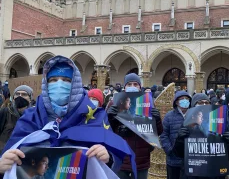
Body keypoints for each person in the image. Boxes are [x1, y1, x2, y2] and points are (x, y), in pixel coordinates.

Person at [0, 56, 136, 176]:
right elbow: (12, 156)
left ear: (75, 83)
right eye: (53, 80)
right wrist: (2, 165)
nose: (59, 84)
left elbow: (109, 161)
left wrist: (107, 157)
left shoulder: (96, 116)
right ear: (46, 84)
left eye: (66, 80)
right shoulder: (30, 118)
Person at [107, 73, 163, 179]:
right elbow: (107, 131)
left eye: (135, 84)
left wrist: (157, 119)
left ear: (140, 87)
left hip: (141, 159)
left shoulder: (148, 103)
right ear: (125, 87)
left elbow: (159, 132)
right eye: (129, 84)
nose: (132, 87)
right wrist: (110, 117)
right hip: (121, 157)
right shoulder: (115, 102)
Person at [160, 91, 192, 179]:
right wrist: (169, 150)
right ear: (177, 102)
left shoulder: (194, 115)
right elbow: (163, 135)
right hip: (174, 159)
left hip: (191, 159)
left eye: (187, 99)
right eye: (182, 99)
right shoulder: (169, 116)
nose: (185, 101)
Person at [0, 85, 33, 153]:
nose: (20, 96)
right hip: (4, 154)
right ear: (13, 97)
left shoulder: (34, 115)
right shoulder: (5, 112)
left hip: (24, 154)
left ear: (30, 99)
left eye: (24, 94)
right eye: (17, 94)